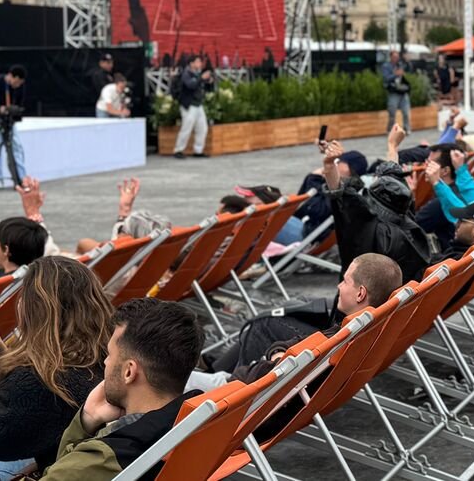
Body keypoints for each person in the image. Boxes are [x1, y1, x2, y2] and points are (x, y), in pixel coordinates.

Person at [0, 256, 112, 478]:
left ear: (35, 310)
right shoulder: (104, 357)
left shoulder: (42, 379)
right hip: (82, 459)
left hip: (60, 468)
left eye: (22, 297)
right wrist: (4, 360)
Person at [35, 298, 205, 480]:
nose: (106, 362)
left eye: (109, 355)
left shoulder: (103, 460)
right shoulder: (197, 424)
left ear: (129, 372)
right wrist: (89, 419)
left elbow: (63, 472)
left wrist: (80, 428)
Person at [198, 253, 402, 387]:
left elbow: (265, 373)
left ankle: (215, 370)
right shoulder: (371, 329)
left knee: (264, 324)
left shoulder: (338, 339)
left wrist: (278, 357)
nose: (339, 286)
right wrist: (278, 352)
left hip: (235, 403)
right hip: (295, 395)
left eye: (345, 281)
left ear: (360, 294)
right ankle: (215, 368)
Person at [322, 139, 432, 283]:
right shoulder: (409, 226)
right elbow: (393, 178)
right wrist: (392, 145)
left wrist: (329, 165)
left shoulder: (365, 229)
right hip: (397, 292)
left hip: (360, 293)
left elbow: (338, 193)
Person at [172, 56, 213, 159]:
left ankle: (198, 150)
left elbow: (202, 85)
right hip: (189, 105)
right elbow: (191, 85)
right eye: (197, 61)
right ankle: (178, 150)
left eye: (200, 61)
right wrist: (201, 78)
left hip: (198, 104)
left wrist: (208, 81)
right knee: (186, 127)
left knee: (202, 128)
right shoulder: (186, 74)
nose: (200, 64)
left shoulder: (198, 74)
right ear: (191, 63)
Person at [380, 51, 412, 133]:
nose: (396, 58)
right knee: (392, 112)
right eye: (394, 57)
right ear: (391, 57)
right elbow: (386, 78)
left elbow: (409, 70)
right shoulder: (386, 66)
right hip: (393, 91)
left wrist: (408, 62)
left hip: (402, 91)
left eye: (397, 57)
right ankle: (390, 129)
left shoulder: (400, 65)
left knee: (406, 111)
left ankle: (406, 128)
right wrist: (396, 74)